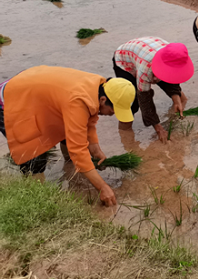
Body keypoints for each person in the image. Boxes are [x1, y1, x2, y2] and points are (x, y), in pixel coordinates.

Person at [0, 66, 135, 206]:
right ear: (102, 100)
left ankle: (70, 167)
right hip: (12, 99)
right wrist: (102, 187)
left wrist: (95, 148)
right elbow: (77, 149)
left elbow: (88, 120)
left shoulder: (99, 86)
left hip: (33, 88)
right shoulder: (77, 101)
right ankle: (36, 199)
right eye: (112, 111)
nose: (111, 114)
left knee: (68, 129)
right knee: (34, 155)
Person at [113, 38, 194, 143]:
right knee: (132, 101)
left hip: (146, 49)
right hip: (124, 61)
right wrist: (158, 128)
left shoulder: (176, 55)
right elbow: (145, 99)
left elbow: (172, 79)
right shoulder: (146, 68)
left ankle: (179, 101)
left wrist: (176, 98)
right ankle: (125, 134)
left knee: (172, 88)